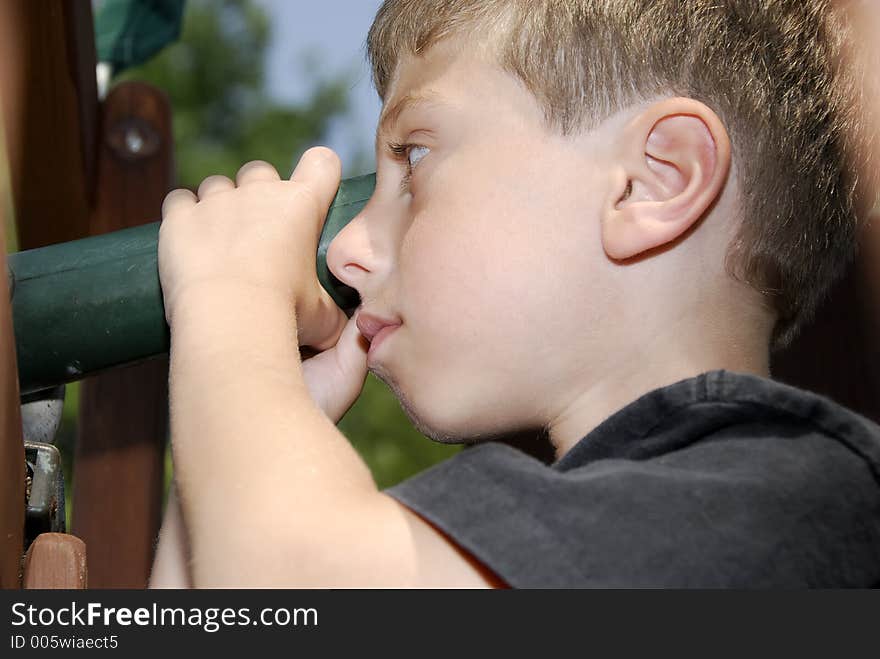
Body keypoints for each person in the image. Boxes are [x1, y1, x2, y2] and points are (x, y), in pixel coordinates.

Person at [149, 0, 880, 587]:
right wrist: (263, 412)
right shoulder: (585, 532)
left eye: (415, 157)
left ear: (653, 180)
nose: (347, 250)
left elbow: (290, 581)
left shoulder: (785, 502)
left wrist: (228, 300)